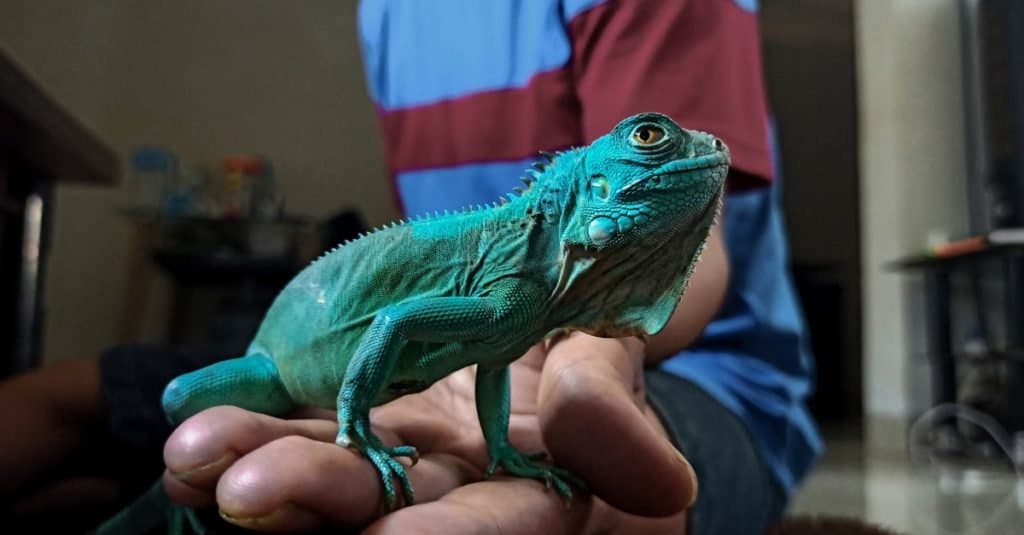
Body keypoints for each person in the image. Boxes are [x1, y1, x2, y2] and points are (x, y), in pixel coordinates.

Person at [0, 1, 821, 534]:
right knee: (69, 408)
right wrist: (365, 419)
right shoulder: (389, 14)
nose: (681, 152)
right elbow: (410, 318)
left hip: (705, 376)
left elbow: (684, 253)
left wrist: (586, 350)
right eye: (651, 142)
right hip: (350, 350)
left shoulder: (545, 277)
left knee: (606, 492)